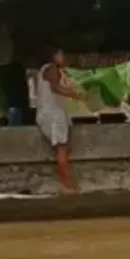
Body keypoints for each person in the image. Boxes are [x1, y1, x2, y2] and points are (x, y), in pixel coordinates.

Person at [35, 47, 86, 193]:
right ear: (53, 56)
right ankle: (67, 184)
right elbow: (56, 89)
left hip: (51, 114)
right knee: (62, 151)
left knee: (63, 149)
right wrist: (77, 95)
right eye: (61, 54)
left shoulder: (45, 70)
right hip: (53, 116)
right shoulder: (52, 69)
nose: (63, 57)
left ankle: (65, 182)